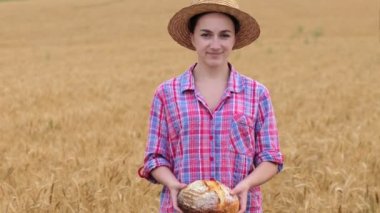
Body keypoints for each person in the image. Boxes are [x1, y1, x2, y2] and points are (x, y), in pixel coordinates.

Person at [138, 0, 284, 212]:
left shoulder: (256, 93)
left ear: (234, 38)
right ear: (192, 37)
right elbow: (155, 157)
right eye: (206, 35)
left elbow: (271, 157)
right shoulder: (167, 93)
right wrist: (171, 183)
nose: (215, 44)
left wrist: (247, 184)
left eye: (224, 35)